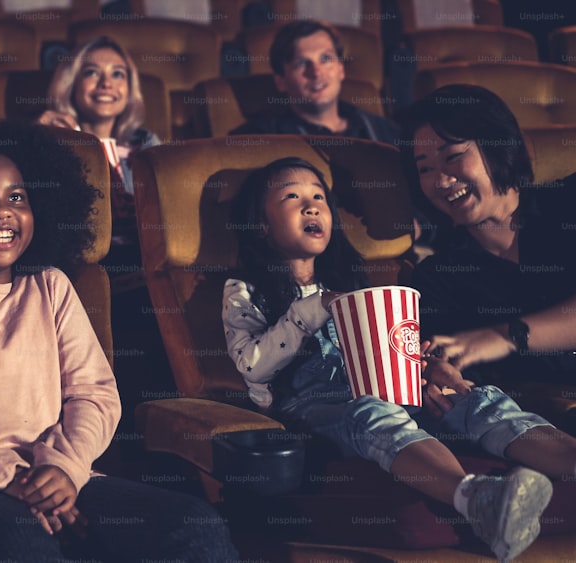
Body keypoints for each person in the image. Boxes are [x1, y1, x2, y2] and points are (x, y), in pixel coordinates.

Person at [0, 113, 238, 562]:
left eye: (17, 197)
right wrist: (20, 480)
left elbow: (94, 395)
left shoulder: (52, 287)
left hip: (67, 477)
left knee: (194, 524)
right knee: (21, 545)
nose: (2, 210)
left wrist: (61, 470)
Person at [222, 156, 576, 561]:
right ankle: (478, 499)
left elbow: (386, 350)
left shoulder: (351, 284)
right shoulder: (244, 289)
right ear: (261, 225)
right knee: (372, 412)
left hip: (386, 388)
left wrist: (428, 370)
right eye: (292, 196)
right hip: (314, 405)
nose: (312, 205)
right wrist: (310, 310)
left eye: (319, 196)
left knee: (474, 397)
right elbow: (251, 365)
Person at [403, 84, 576, 394]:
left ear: (497, 146)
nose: (441, 181)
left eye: (453, 156)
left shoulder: (567, 201)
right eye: (425, 168)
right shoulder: (437, 278)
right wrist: (440, 383)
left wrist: (507, 335)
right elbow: (454, 374)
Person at [37, 36, 160, 252]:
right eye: (92, 72)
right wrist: (36, 141)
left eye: (118, 74)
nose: (106, 84)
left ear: (130, 90)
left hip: (143, 260)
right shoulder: (52, 142)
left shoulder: (145, 143)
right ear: (71, 84)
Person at [228, 20, 398, 146]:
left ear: (341, 69)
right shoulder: (257, 140)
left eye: (325, 59)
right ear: (281, 81)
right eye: (301, 63)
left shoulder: (383, 130)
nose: (316, 73)